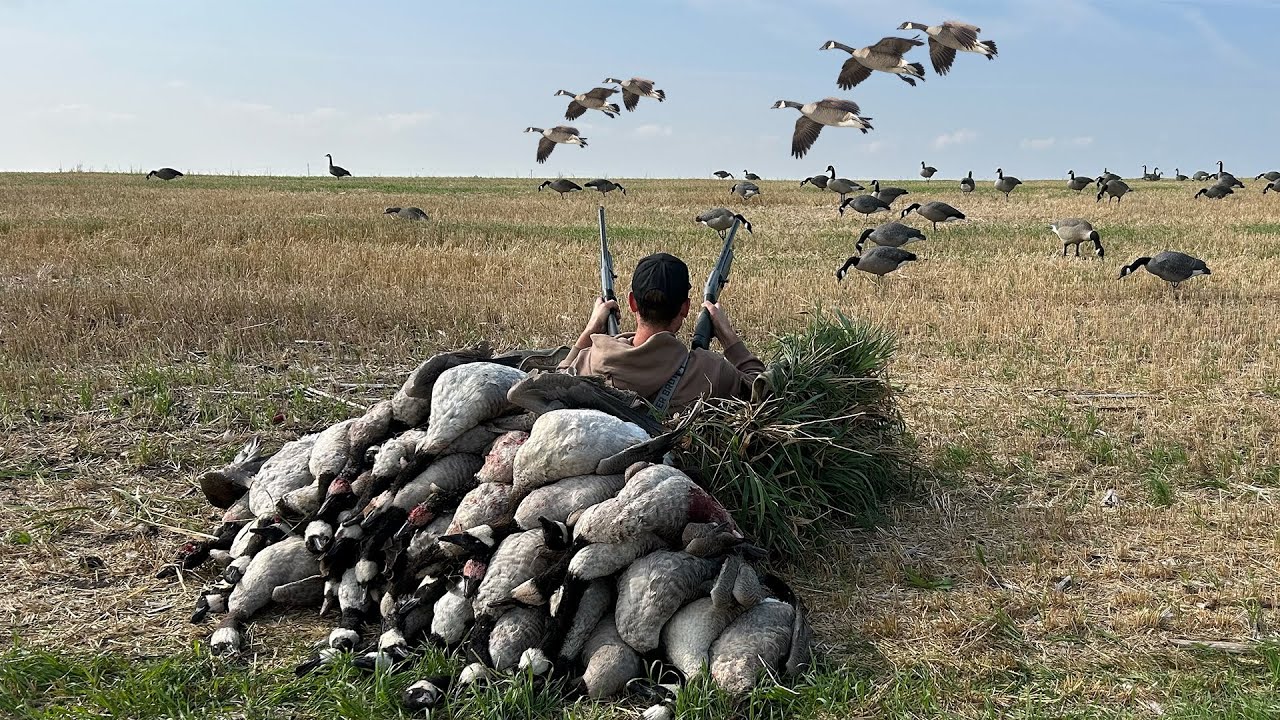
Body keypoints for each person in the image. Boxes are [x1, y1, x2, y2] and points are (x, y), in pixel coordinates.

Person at [558, 252, 764, 413]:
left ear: (632, 302)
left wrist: (590, 330)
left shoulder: (593, 359)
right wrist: (728, 336)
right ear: (685, 308)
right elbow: (761, 392)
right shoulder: (711, 372)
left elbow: (555, 385)